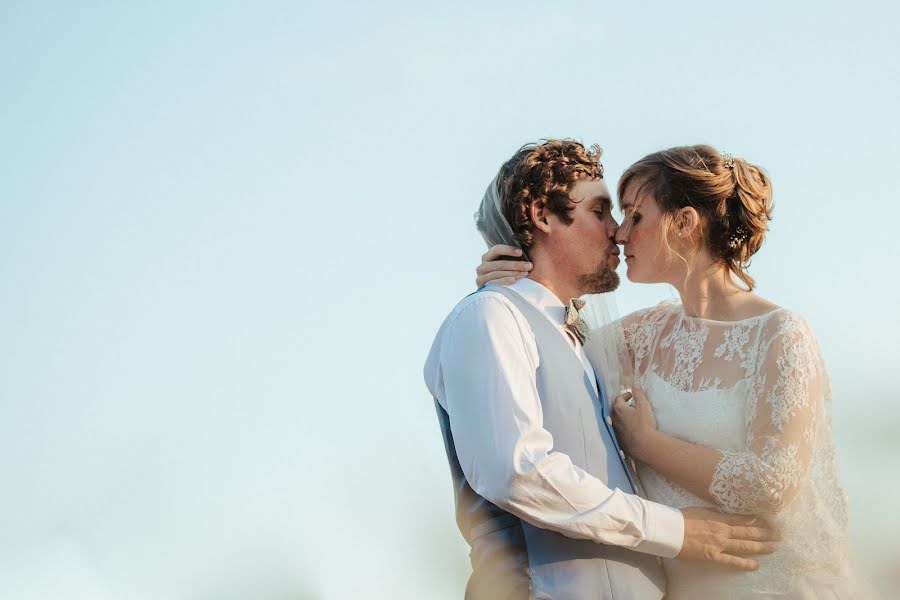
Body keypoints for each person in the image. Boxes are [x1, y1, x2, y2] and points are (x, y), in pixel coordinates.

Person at [476, 144, 873, 598]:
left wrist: (648, 443)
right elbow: (544, 337)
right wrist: (513, 281)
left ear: (684, 223)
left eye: (634, 216)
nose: (620, 234)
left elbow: (772, 483)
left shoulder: (780, 334)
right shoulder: (630, 338)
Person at [427, 140, 779, 600]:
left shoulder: (588, 342)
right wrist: (678, 532)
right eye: (600, 211)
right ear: (544, 216)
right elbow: (515, 471)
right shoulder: (491, 317)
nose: (617, 232)